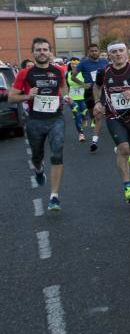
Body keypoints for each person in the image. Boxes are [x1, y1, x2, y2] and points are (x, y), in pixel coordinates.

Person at [9, 38, 67, 211]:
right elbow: (12, 97)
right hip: (35, 120)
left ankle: (54, 196)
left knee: (57, 153)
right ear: (33, 53)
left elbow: (63, 88)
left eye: (45, 49)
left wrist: (65, 96)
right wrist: (28, 96)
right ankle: (39, 169)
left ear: (50, 52)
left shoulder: (58, 71)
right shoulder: (25, 74)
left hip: (56, 119)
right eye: (38, 50)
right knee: (37, 155)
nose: (42, 52)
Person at [94, 42, 130, 204]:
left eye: (121, 51)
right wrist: (98, 102)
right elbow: (97, 87)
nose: (118, 54)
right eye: (114, 52)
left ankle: (125, 153)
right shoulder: (104, 72)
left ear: (126, 53)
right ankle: (128, 187)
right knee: (123, 149)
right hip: (113, 116)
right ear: (109, 55)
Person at [72, 43, 109, 152]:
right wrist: (83, 84)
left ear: (99, 51)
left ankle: (95, 138)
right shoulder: (83, 63)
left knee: (99, 115)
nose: (94, 53)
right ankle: (93, 118)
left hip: (101, 90)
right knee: (91, 112)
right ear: (88, 52)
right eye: (92, 51)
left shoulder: (104, 62)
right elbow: (73, 76)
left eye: (96, 51)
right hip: (89, 90)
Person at [66, 58, 88, 142]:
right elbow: (67, 86)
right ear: (70, 65)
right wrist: (66, 96)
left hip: (83, 98)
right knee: (77, 116)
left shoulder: (83, 73)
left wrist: (85, 86)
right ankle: (81, 134)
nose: (74, 65)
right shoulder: (67, 74)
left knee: (83, 113)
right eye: (72, 64)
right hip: (72, 99)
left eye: (76, 64)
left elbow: (87, 84)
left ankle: (85, 118)